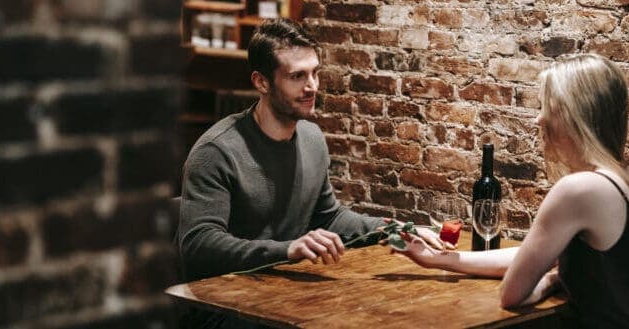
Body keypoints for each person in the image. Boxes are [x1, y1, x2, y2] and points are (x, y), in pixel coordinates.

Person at [176, 18, 443, 328]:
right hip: (223, 309)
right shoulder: (216, 152)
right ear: (261, 82)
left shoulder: (312, 138)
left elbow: (328, 217)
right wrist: (288, 250)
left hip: (284, 296)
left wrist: (392, 229)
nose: (312, 86)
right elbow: (198, 247)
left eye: (315, 72)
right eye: (297, 76)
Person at [393, 54, 629, 328]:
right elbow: (531, 255)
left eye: (546, 105)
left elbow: (512, 294)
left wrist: (552, 280)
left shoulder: (578, 190)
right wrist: (439, 259)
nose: (538, 119)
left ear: (572, 115)